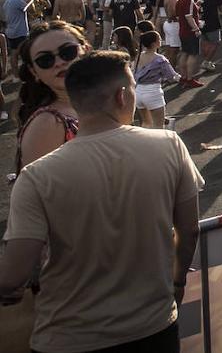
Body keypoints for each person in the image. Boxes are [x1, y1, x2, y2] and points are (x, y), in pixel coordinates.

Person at [0, 51, 202, 353]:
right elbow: (188, 231)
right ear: (122, 96)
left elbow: (15, 273)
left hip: (69, 336)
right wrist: (177, 281)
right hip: (153, 325)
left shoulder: (36, 176)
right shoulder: (168, 145)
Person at [14, 22, 86, 173]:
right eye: (45, 60)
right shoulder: (48, 123)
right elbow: (37, 192)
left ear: (84, 50)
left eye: (67, 52)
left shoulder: (101, 100)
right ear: (34, 71)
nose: (60, 63)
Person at [133, 29, 179, 129]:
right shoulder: (160, 59)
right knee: (159, 125)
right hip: (153, 92)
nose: (161, 40)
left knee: (146, 123)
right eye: (159, 39)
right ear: (154, 43)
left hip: (138, 92)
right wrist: (180, 78)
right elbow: (172, 76)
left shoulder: (138, 56)